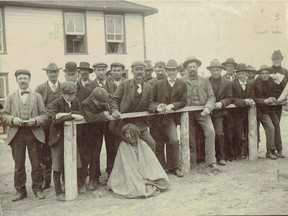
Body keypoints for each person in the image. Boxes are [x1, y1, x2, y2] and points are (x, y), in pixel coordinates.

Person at [2, 69, 47, 201]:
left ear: (29, 80)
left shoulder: (37, 96)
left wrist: (35, 120)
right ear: (17, 80)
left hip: (33, 133)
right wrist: (12, 120)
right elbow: (3, 115)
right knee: (19, 164)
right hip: (17, 134)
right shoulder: (10, 97)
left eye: (25, 78)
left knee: (36, 163)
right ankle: (20, 191)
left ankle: (38, 189)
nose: (23, 80)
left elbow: (44, 115)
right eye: (20, 78)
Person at [108, 124, 170, 199]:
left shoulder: (142, 144)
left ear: (136, 134)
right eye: (126, 134)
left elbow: (151, 162)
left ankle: (146, 182)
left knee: (164, 182)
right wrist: (138, 177)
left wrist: (146, 176)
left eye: (131, 134)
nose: (129, 136)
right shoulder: (123, 146)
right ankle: (142, 183)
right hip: (130, 174)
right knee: (133, 187)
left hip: (145, 174)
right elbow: (126, 167)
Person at [181, 56, 219, 170]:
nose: (192, 69)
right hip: (187, 113)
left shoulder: (205, 80)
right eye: (190, 67)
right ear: (187, 68)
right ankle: (191, 162)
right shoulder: (181, 81)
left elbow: (211, 97)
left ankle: (211, 161)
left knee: (211, 131)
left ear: (197, 67)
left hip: (202, 111)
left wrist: (208, 108)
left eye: (194, 66)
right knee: (189, 136)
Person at [48, 81, 84, 201]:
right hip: (57, 138)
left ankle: (72, 185)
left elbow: (81, 113)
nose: (72, 96)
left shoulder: (75, 101)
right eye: (69, 94)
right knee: (57, 164)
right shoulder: (56, 102)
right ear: (63, 94)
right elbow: (55, 119)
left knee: (76, 161)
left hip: (72, 137)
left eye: (74, 94)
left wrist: (64, 115)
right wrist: (71, 115)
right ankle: (58, 192)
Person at [151, 59, 187, 177]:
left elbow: (184, 101)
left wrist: (173, 106)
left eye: (173, 70)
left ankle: (175, 167)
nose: (171, 72)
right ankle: (162, 168)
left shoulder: (182, 84)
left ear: (177, 71)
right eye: (169, 70)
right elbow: (151, 101)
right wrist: (158, 107)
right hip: (156, 119)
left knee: (173, 141)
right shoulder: (157, 84)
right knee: (158, 143)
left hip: (170, 118)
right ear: (166, 71)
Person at [110, 61, 157, 152]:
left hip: (140, 124)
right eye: (137, 69)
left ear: (144, 71)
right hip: (124, 123)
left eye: (141, 69)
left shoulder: (148, 87)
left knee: (151, 143)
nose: (139, 72)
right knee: (127, 148)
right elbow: (114, 100)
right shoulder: (124, 84)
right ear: (132, 71)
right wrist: (115, 111)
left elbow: (150, 104)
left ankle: (148, 165)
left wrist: (156, 108)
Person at [63, 61, 92, 192]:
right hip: (64, 130)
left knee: (83, 155)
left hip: (83, 131)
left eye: (73, 74)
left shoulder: (86, 91)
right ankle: (67, 183)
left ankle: (81, 183)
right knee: (66, 155)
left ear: (77, 74)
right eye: (68, 74)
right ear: (64, 75)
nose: (71, 77)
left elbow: (88, 110)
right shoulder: (60, 90)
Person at [81, 87, 115, 190]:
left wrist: (106, 113)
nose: (100, 105)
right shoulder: (85, 104)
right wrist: (103, 115)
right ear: (93, 98)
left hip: (97, 134)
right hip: (86, 135)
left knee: (95, 157)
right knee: (85, 158)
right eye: (99, 102)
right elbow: (90, 118)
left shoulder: (101, 102)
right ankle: (82, 183)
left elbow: (106, 110)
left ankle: (93, 180)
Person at [35, 62, 62, 190]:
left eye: (55, 72)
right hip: (46, 126)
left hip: (60, 125)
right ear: (47, 74)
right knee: (45, 153)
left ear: (58, 73)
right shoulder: (40, 89)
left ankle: (62, 179)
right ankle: (47, 180)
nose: (53, 75)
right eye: (50, 72)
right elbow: (37, 107)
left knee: (59, 151)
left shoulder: (64, 87)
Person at [253, 65, 284, 159]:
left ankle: (279, 149)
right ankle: (269, 151)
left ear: (269, 74)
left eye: (267, 73)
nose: (265, 75)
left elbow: (276, 92)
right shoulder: (255, 83)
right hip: (260, 110)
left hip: (270, 109)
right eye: (262, 73)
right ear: (259, 74)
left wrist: (274, 98)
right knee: (270, 127)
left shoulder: (272, 82)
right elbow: (253, 98)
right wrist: (264, 101)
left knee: (277, 125)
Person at [207, 59, 233, 166]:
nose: (215, 72)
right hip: (208, 112)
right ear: (211, 71)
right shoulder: (206, 81)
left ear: (221, 70)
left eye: (217, 70)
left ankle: (221, 157)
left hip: (220, 113)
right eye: (213, 70)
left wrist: (222, 103)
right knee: (207, 134)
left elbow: (230, 98)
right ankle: (206, 158)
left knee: (219, 134)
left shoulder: (227, 83)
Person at [231, 63, 255, 159]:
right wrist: (244, 101)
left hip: (247, 112)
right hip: (235, 113)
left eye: (243, 73)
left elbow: (252, 95)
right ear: (237, 74)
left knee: (248, 131)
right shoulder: (233, 84)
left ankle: (248, 151)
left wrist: (251, 100)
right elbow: (232, 98)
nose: (241, 75)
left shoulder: (250, 83)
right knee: (238, 133)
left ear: (246, 74)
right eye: (239, 74)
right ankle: (238, 153)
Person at [221, 58, 237, 161]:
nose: (230, 68)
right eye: (228, 66)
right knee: (227, 132)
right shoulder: (223, 79)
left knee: (239, 132)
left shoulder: (238, 78)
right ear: (225, 68)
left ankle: (239, 153)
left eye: (231, 66)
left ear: (234, 68)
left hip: (238, 110)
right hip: (226, 110)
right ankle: (228, 154)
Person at [270, 50, 288, 121]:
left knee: (277, 120)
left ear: (281, 59)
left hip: (280, 100)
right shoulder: (268, 70)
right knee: (271, 123)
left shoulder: (286, 71)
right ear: (272, 60)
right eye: (274, 59)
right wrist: (270, 76)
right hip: (270, 99)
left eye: (278, 58)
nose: (276, 60)